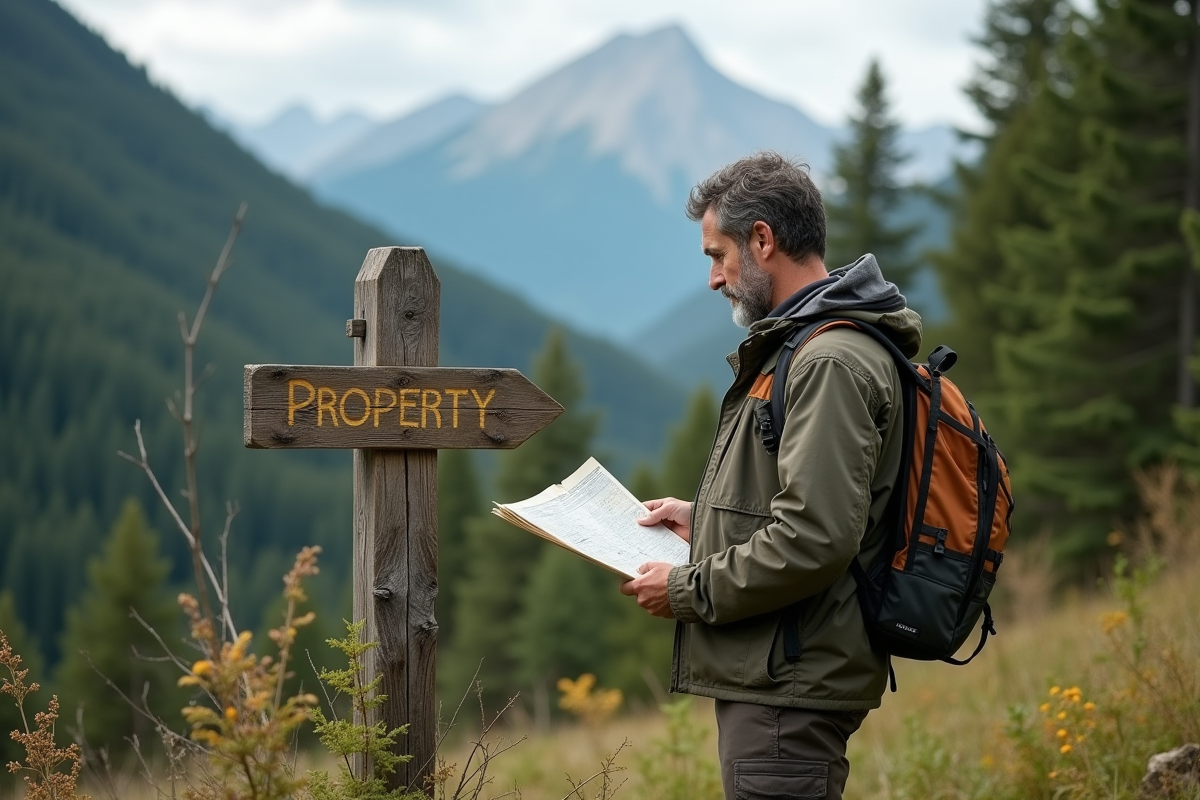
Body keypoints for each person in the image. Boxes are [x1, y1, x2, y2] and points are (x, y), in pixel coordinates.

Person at [619, 151, 923, 800]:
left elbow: (815, 537)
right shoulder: (808, 347)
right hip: (780, 672)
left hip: (788, 683)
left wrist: (686, 589)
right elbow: (816, 504)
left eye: (717, 254)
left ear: (763, 239)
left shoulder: (828, 360)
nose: (712, 278)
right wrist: (703, 519)